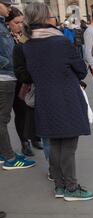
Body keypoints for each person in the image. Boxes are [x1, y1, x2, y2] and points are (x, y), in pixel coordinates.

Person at [18, 2, 93, 200]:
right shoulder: (60, 42)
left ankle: (60, 186)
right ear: (45, 19)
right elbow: (81, 69)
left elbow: (27, 74)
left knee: (53, 144)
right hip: (66, 97)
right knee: (68, 145)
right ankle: (71, 187)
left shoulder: (27, 44)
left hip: (44, 99)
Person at [0, 0, 36, 170]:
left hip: (14, 78)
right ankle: (9, 157)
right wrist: (10, 64)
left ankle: (20, 144)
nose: (20, 25)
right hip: (7, 77)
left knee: (19, 113)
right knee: (3, 119)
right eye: (17, 22)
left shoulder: (13, 32)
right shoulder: (2, 28)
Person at [7, 6, 41, 157]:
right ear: (8, 23)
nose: (20, 25)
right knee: (17, 113)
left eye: (22, 22)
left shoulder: (25, 36)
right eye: (16, 22)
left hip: (25, 79)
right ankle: (24, 142)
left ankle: (34, 137)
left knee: (29, 110)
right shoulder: (5, 37)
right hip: (10, 79)